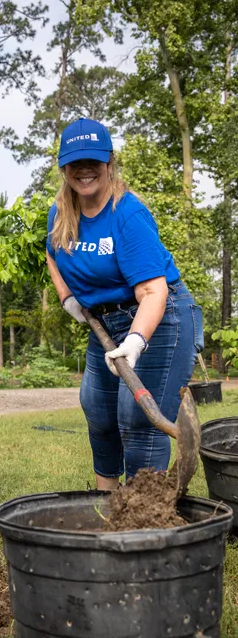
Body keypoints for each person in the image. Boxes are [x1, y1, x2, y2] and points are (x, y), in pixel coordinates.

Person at [46, 118, 203, 490]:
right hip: (105, 321)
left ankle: (142, 518)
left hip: (160, 319)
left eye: (93, 161)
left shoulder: (127, 214)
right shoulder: (60, 213)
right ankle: (105, 502)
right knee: (98, 411)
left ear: (109, 161)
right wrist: (67, 297)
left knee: (139, 418)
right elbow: (51, 256)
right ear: (63, 167)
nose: (84, 170)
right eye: (75, 163)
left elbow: (154, 292)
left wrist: (134, 342)